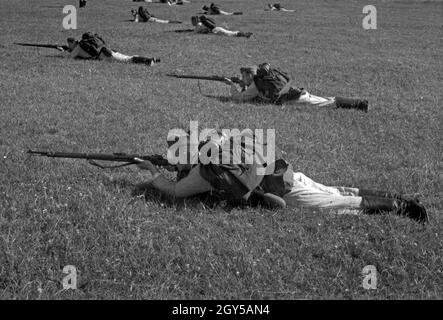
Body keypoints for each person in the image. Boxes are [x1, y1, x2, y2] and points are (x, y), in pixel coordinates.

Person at [133, 130, 428, 223]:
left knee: (343, 206)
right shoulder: (219, 143)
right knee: (341, 191)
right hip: (286, 173)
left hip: (286, 191)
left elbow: (175, 193)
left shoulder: (201, 172)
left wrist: (152, 173)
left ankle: (404, 208)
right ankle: (396, 197)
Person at [223, 64, 369, 111]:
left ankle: (359, 104)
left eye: (243, 76)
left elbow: (238, 99)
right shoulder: (259, 82)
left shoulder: (256, 85)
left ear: (249, 75)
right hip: (296, 94)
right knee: (329, 100)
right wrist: (242, 85)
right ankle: (358, 103)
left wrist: (231, 86)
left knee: (330, 102)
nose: (242, 78)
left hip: (296, 99)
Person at [58, 32, 160, 65]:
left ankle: (148, 60)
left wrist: (63, 51)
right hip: (107, 50)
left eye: (69, 44)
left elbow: (69, 58)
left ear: (71, 43)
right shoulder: (82, 44)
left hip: (105, 55)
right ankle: (151, 59)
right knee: (128, 57)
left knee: (127, 60)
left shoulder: (79, 47)